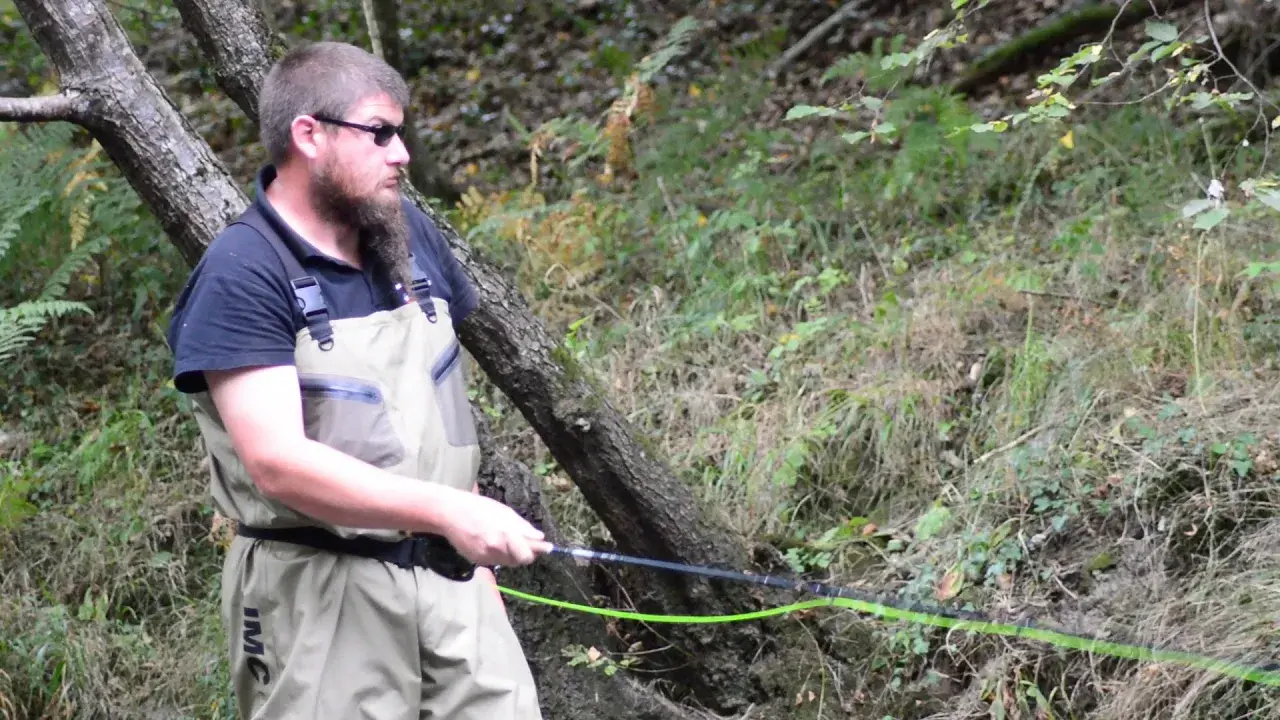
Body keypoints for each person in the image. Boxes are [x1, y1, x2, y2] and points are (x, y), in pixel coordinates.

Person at [165, 40, 550, 719]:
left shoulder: (409, 234)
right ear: (309, 135)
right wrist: (451, 513)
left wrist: (476, 560)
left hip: (454, 583)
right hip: (319, 598)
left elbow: (438, 414)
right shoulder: (242, 272)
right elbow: (277, 464)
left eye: (399, 133)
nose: (401, 154)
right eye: (379, 133)